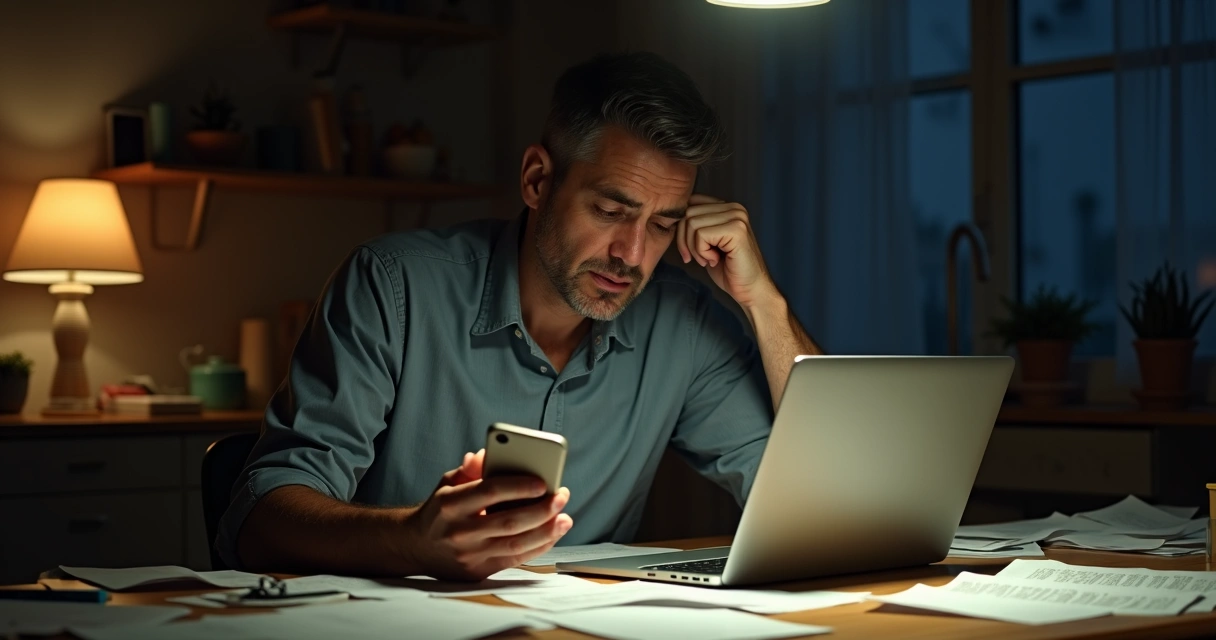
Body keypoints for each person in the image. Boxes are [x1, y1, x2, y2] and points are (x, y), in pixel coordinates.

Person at [217, 51, 821, 580]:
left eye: (663, 224)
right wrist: (412, 541)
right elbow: (261, 515)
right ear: (537, 180)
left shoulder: (683, 323)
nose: (633, 255)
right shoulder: (394, 285)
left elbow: (822, 497)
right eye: (611, 210)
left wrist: (764, 304)